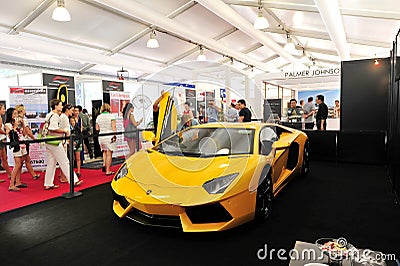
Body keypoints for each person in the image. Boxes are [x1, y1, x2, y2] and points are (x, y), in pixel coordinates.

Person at [44, 99, 82, 190]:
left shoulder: (49, 114)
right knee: (65, 161)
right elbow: (53, 128)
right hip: (55, 142)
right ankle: (74, 180)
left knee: (51, 163)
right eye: (60, 105)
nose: (61, 107)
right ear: (55, 106)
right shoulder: (55, 115)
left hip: (48, 141)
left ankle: (48, 183)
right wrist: (64, 131)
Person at [96, 103, 117, 176]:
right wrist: (115, 135)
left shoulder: (98, 117)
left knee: (104, 151)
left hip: (101, 136)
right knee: (109, 153)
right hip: (109, 136)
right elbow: (114, 127)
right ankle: (108, 170)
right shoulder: (111, 116)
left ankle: (104, 164)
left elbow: (97, 128)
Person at [7, 118, 27, 191]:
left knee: (20, 164)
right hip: (16, 148)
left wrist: (23, 125)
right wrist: (15, 128)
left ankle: (17, 182)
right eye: (17, 120)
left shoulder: (20, 129)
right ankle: (11, 184)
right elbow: (13, 139)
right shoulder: (11, 130)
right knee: (17, 165)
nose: (18, 121)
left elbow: (25, 134)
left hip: (22, 147)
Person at [0, 103, 11, 183]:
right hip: (0, 140)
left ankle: (10, 174)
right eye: (3, 108)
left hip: (2, 140)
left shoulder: (0, 117)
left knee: (4, 158)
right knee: (3, 158)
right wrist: (6, 133)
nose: (4, 110)